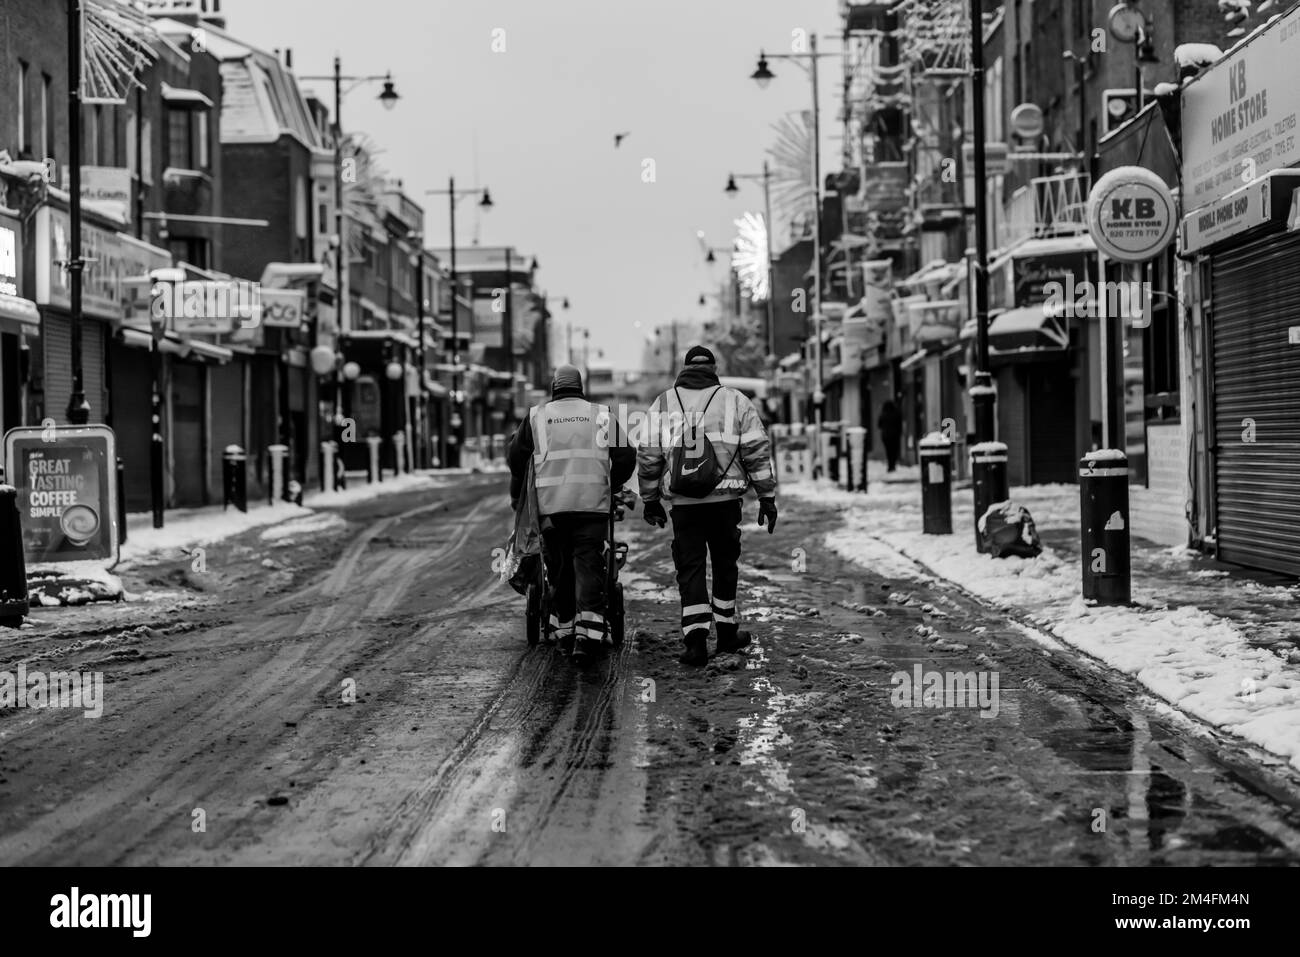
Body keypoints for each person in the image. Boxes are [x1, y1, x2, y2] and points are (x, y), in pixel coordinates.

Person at [637, 346, 778, 666]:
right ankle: (727, 632)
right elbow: (756, 449)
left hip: (685, 503)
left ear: (684, 368)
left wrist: (650, 500)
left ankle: (696, 642)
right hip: (725, 501)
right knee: (725, 564)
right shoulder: (736, 400)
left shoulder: (663, 403)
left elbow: (648, 454)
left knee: (690, 567)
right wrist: (766, 496)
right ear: (714, 368)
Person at [508, 365, 635, 666]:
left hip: (551, 509)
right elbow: (626, 456)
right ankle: (587, 637)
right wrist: (612, 484)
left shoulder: (537, 416)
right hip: (592, 507)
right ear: (580, 387)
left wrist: (523, 492)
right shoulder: (601, 414)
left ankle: (564, 630)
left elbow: (516, 458)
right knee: (589, 563)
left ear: (554, 387)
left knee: (559, 565)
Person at [878, 398, 903, 472]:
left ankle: (890, 465)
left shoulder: (883, 414)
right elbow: (899, 424)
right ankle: (893, 465)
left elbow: (879, 425)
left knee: (888, 451)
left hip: (886, 436)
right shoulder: (896, 413)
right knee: (894, 451)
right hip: (895, 435)